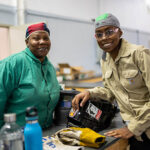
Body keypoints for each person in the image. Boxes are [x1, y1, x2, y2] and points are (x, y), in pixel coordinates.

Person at [72, 13, 150, 150]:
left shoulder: (139, 54)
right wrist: (90, 93)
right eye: (99, 34)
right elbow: (111, 91)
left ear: (119, 32)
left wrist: (133, 128)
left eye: (109, 32)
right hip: (134, 132)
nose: (104, 38)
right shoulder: (105, 60)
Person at [0, 22, 61, 129]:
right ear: (27, 42)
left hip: (46, 131)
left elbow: (52, 90)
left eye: (46, 38)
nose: (42, 42)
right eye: (36, 38)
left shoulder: (49, 66)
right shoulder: (11, 64)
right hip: (17, 135)